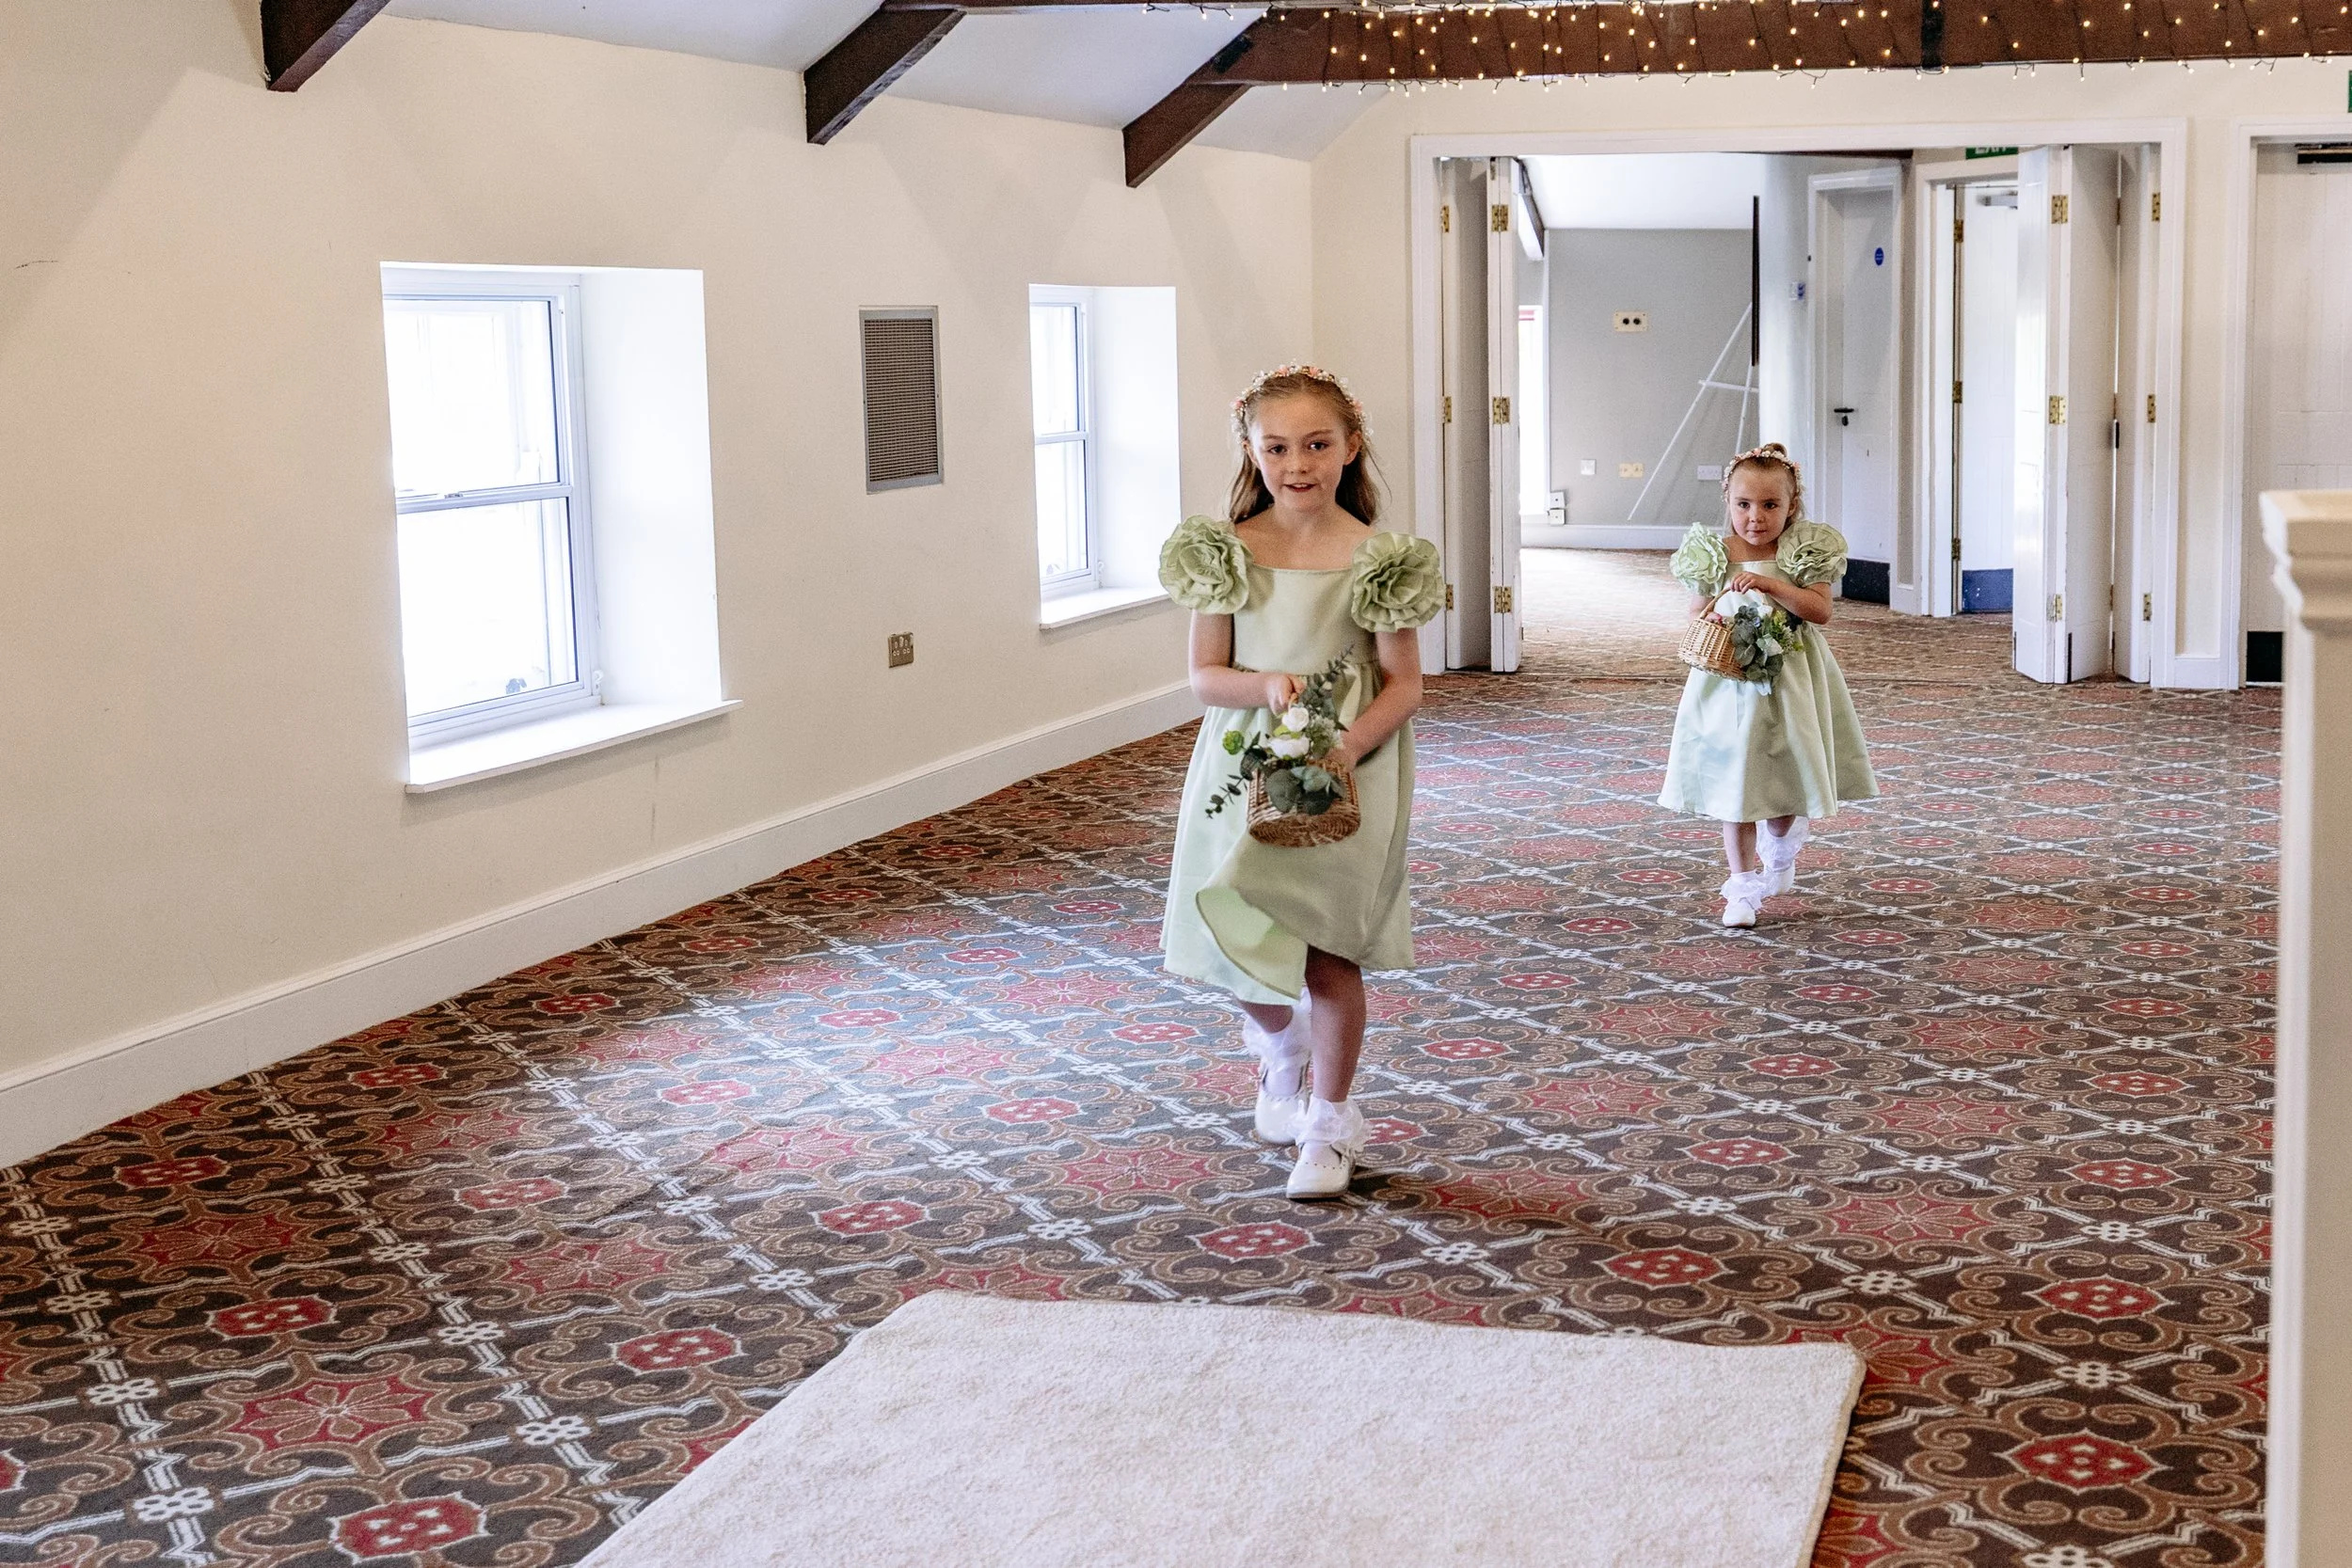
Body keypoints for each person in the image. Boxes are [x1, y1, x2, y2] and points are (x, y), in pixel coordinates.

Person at [1157, 366, 1443, 1200]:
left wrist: (1343, 748)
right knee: (1228, 925)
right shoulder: (1226, 551)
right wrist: (1267, 685)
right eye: (1277, 447)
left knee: (1330, 946)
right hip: (1246, 758)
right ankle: (1280, 1047)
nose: (1298, 463)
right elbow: (1206, 677)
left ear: (1351, 447)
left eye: (1317, 444)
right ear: (1251, 449)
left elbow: (1406, 685)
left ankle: (1329, 1123)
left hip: (1349, 764)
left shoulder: (1379, 559)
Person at [1659, 442, 1878, 927]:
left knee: (1782, 788)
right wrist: (1716, 606)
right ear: (1728, 503)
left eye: (1770, 505)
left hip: (1789, 678)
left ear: (1791, 506)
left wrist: (1772, 585)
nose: (1755, 518)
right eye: (1744, 505)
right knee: (1734, 784)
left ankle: (1780, 843)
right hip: (1728, 682)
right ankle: (1740, 890)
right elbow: (1696, 614)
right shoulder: (1715, 555)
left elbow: (1820, 611)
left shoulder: (1801, 552)